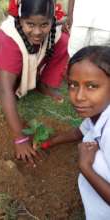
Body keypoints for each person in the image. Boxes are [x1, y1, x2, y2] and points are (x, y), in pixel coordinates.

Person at [0, 0, 69, 166]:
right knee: (9, 86)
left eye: (44, 24)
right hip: (2, 68)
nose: (37, 32)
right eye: (30, 24)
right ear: (19, 20)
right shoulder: (11, 38)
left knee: (64, 40)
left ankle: (42, 84)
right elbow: (4, 90)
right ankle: (18, 82)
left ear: (52, 20)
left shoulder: (52, 29)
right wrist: (19, 138)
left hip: (29, 61)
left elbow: (51, 29)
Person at [41, 46, 110, 219]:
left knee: (96, 161)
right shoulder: (98, 112)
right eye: (73, 85)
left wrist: (86, 167)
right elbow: (78, 133)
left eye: (92, 86)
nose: (79, 96)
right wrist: (49, 142)